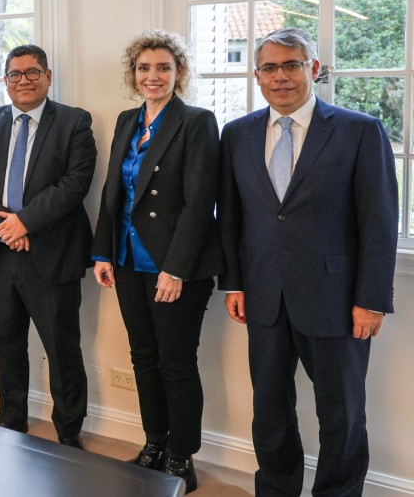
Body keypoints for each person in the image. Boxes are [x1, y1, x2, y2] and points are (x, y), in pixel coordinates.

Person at [220, 27, 397, 496]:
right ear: (257, 76)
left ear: (313, 69)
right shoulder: (236, 134)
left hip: (337, 300)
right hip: (264, 296)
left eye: (291, 65)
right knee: (269, 410)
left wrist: (371, 299)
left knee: (341, 413)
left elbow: (379, 222)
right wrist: (234, 283)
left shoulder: (359, 130)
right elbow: (232, 218)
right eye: (269, 68)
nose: (280, 76)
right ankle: (276, 489)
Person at [91, 31, 222, 492]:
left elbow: (200, 202)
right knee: (143, 357)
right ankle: (154, 443)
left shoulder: (197, 121)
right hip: (128, 260)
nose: (153, 76)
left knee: (176, 363)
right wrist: (103, 251)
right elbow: (113, 191)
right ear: (134, 74)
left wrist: (176, 268)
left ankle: (182, 457)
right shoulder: (127, 120)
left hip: (176, 266)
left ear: (178, 72)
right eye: (144, 68)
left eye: (163, 67)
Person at [0, 44, 96, 448]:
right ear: (6, 81)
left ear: (48, 76)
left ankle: (68, 431)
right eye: (15, 74)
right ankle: (11, 415)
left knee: (61, 347)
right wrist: (5, 226)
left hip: (51, 253)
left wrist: (25, 222)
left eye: (33, 72)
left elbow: (74, 184)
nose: (24, 80)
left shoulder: (74, 121)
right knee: (6, 342)